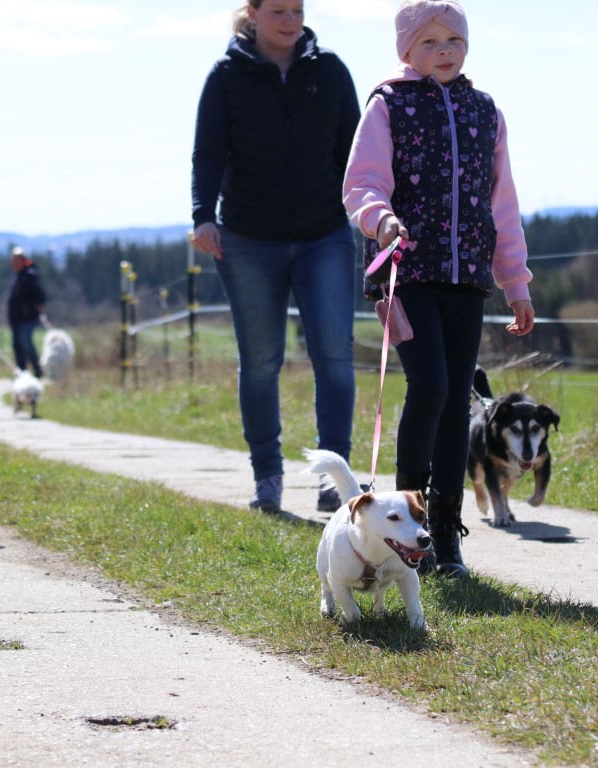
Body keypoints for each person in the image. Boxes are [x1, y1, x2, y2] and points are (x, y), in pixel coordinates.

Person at [342, 0, 535, 578]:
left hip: (468, 278)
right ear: (407, 50)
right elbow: (362, 182)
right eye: (429, 41)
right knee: (429, 386)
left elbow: (503, 203)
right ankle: (404, 520)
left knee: (455, 402)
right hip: (407, 273)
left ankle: (445, 533)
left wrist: (515, 282)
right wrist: (381, 220)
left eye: (455, 40)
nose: (445, 50)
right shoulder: (388, 104)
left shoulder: (485, 112)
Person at [190, 1, 361, 514]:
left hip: (325, 234)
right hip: (248, 238)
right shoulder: (225, 77)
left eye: (297, 10)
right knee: (261, 362)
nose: (290, 21)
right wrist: (203, 216)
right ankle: (267, 476)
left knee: (334, 355)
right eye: (279, 10)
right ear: (254, 12)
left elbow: (354, 151)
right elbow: (207, 152)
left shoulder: (329, 71)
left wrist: (368, 212)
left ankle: (334, 479)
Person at [7, 246, 47, 378]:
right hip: (16, 319)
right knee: (17, 345)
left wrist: (40, 312)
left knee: (26, 342)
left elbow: (39, 295)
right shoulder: (19, 276)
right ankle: (22, 372)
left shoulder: (30, 275)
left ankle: (37, 370)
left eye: (14, 261)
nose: (12, 264)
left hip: (27, 318)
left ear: (21, 261)